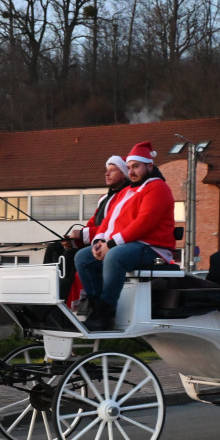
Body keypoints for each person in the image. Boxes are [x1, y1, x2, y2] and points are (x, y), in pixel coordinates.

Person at [75, 141, 176, 331]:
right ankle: (97, 308)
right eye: (129, 167)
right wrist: (98, 241)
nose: (131, 172)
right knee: (82, 257)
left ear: (149, 166)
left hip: (152, 247)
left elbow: (144, 224)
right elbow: (108, 220)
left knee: (115, 256)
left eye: (136, 166)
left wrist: (110, 245)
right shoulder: (127, 191)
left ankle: (107, 312)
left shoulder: (157, 188)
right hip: (128, 245)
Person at [55, 155, 130, 306]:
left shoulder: (125, 197)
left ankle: (68, 305)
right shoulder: (104, 199)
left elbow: (115, 229)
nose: (107, 174)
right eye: (106, 170)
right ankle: (52, 298)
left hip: (113, 247)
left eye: (112, 170)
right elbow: (93, 224)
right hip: (98, 244)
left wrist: (83, 235)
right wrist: (74, 239)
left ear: (123, 173)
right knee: (54, 248)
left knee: (72, 259)